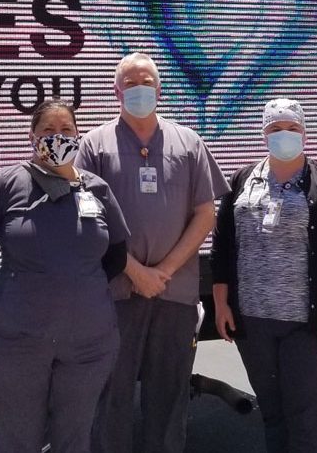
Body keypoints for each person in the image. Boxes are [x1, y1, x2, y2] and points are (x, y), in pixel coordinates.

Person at [76, 52, 229, 453]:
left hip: (173, 294)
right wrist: (135, 271)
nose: (139, 89)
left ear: (159, 90)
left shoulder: (188, 142)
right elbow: (87, 219)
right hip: (114, 293)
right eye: (130, 83)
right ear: (116, 91)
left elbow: (205, 214)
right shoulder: (94, 145)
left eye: (146, 82)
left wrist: (162, 271)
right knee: (111, 397)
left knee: (169, 397)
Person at [0, 99, 130, 453]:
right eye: (48, 131)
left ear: (78, 136)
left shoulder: (96, 189)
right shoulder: (8, 183)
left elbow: (116, 255)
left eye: (66, 130)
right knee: (15, 440)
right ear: (32, 138)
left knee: (74, 438)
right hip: (15, 342)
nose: (57, 138)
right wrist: (6, 288)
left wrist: (84, 287)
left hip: (88, 344)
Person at [210, 97, 317, 452]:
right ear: (264, 133)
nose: (284, 135)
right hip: (255, 324)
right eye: (276, 128)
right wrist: (221, 304)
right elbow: (222, 248)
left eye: (292, 128)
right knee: (273, 417)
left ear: (304, 133)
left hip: (309, 326)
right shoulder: (243, 180)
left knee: (307, 422)